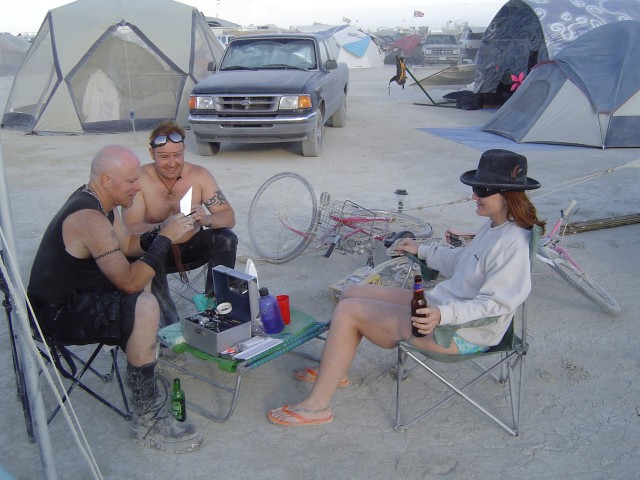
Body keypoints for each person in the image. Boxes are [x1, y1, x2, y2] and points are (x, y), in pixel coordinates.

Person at [267, 149, 545, 426]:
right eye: (474, 188)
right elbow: (464, 262)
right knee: (351, 293)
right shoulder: (495, 225)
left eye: (481, 190)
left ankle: (318, 406)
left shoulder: (513, 244)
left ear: (507, 195)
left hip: (460, 331)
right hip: (441, 308)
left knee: (349, 312)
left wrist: (443, 315)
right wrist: (421, 250)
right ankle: (334, 370)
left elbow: (497, 304)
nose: (473, 196)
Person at [27, 145, 203, 452]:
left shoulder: (102, 203)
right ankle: (147, 420)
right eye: (131, 181)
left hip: (79, 296)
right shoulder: (89, 218)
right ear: (106, 180)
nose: (138, 187)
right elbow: (129, 283)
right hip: (55, 315)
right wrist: (165, 238)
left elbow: (128, 246)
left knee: (144, 274)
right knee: (143, 303)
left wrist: (164, 229)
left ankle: (145, 359)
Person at [122, 120, 237, 326]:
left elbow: (228, 217)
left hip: (191, 246)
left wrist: (207, 219)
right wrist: (164, 229)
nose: (172, 163)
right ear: (152, 154)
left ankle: (215, 308)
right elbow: (130, 229)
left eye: (177, 155)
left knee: (226, 238)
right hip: (157, 250)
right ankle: (169, 325)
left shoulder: (199, 175)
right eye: (164, 157)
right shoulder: (139, 179)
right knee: (146, 251)